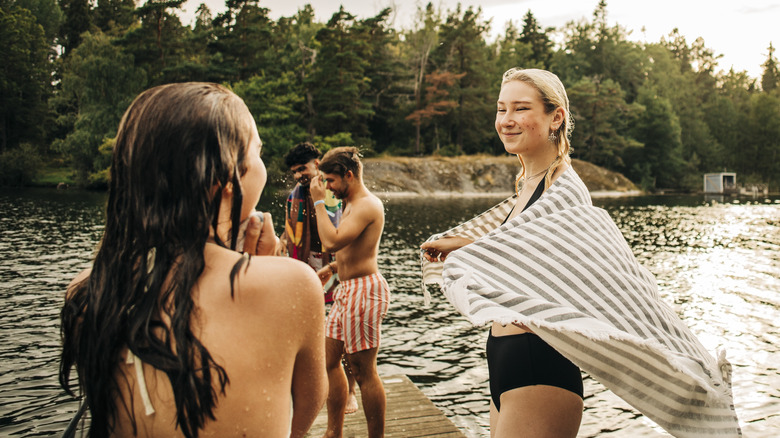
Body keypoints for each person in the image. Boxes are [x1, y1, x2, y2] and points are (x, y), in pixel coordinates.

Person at [421, 68, 740, 438]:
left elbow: (602, 277)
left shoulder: (565, 192)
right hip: (506, 358)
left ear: (555, 117)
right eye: (501, 109)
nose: (506, 121)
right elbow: (533, 256)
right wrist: (467, 246)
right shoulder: (530, 185)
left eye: (520, 109)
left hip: (540, 370)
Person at [59, 82, 327, 438]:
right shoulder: (292, 285)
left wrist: (239, 262)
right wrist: (257, 269)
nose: (263, 165)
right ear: (228, 176)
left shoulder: (88, 290)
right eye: (258, 153)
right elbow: (303, 412)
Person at [309, 147, 390, 438]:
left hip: (365, 291)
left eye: (330, 181)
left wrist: (319, 203)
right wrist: (332, 269)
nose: (327, 187)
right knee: (329, 359)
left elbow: (331, 241)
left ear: (349, 175)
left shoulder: (367, 205)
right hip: (347, 289)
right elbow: (350, 247)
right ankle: (334, 432)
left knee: (363, 370)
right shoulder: (350, 202)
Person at [281, 141, 359, 413]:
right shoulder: (295, 194)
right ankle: (313, 386)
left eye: (302, 168)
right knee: (310, 332)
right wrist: (281, 241)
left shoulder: (334, 191)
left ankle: (350, 391)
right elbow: (291, 228)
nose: (297, 175)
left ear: (317, 163)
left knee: (345, 336)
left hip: (337, 268)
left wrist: (341, 265)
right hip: (305, 270)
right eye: (293, 171)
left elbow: (347, 231)